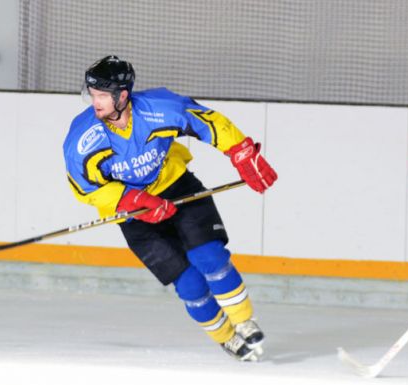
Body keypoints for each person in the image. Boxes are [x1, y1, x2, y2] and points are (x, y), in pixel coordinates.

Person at [63, 55, 277, 361]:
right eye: (92, 94)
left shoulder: (159, 108)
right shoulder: (83, 139)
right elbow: (83, 187)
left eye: (101, 95)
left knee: (210, 256)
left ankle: (243, 321)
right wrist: (129, 200)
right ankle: (227, 338)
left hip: (178, 188)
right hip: (133, 212)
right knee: (189, 284)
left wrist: (241, 152)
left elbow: (208, 121)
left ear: (123, 95)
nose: (94, 102)